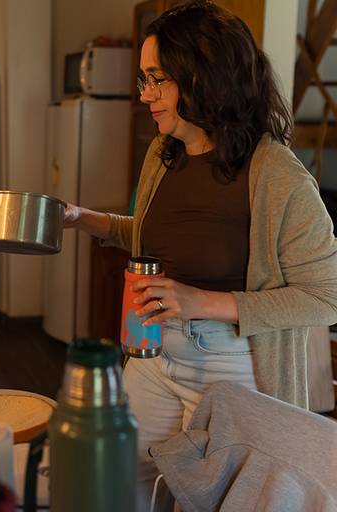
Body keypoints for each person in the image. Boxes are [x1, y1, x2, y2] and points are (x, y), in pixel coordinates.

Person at [63, 1, 337, 509]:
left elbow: (325, 297)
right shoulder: (162, 155)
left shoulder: (277, 174)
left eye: (156, 79)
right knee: (123, 489)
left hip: (233, 368)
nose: (144, 94)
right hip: (150, 353)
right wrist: (85, 219)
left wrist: (203, 302)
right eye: (143, 80)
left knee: (218, 502)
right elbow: (157, 238)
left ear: (202, 76)